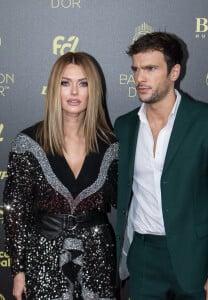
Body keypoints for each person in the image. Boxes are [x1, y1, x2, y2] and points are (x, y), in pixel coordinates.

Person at [114, 32, 208, 300]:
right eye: (136, 69)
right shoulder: (124, 126)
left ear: (174, 72)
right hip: (144, 255)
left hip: (195, 257)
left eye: (150, 68)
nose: (140, 78)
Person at [3, 52, 118, 300]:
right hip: (43, 258)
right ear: (54, 89)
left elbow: (130, 201)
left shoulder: (112, 146)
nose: (74, 92)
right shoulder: (28, 143)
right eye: (65, 83)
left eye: (83, 83)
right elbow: (16, 212)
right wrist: (18, 271)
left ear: (94, 90)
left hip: (97, 257)